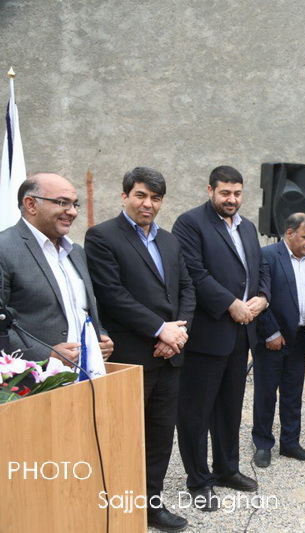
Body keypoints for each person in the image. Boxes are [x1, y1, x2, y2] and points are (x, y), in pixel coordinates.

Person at [85, 167, 195, 532]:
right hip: (131, 359)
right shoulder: (102, 237)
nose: (148, 204)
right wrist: (160, 330)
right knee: (123, 437)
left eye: (155, 198)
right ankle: (118, 507)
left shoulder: (170, 241)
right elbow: (113, 295)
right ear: (124, 196)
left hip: (170, 357)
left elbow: (187, 290)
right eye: (141, 195)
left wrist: (177, 334)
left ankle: (151, 505)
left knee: (160, 437)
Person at [172, 166, 271, 511]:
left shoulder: (248, 227)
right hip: (207, 334)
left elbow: (261, 266)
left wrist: (263, 297)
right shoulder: (190, 223)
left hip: (241, 335)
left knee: (230, 407)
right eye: (225, 192)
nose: (232, 199)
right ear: (210, 190)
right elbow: (193, 273)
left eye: (237, 193)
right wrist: (230, 304)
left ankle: (227, 469)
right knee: (196, 412)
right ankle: (199, 480)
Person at [0, 173, 113, 363]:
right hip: (34, 376)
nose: (73, 212)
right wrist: (46, 355)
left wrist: (100, 335)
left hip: (85, 371)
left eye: (75, 204)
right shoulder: (5, 248)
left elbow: (82, 310)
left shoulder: (76, 252)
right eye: (62, 203)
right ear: (31, 204)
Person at [252, 213, 305, 467]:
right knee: (266, 394)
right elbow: (259, 296)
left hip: (299, 338)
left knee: (293, 393)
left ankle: (290, 443)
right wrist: (270, 333)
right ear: (289, 234)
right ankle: (263, 444)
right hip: (271, 340)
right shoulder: (268, 256)